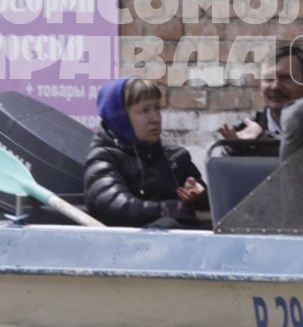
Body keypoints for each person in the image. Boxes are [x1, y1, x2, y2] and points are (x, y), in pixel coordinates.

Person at [84, 76, 209, 227]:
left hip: (185, 244)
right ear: (121, 118)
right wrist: (176, 210)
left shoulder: (176, 158)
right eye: (144, 110)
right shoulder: (104, 159)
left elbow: (211, 209)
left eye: (157, 108)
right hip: (130, 246)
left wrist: (198, 197)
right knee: (167, 225)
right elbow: (118, 209)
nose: (155, 118)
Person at [217, 42, 303, 140]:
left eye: (286, 78)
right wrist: (238, 147)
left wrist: (263, 138)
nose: (275, 86)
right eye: (268, 79)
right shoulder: (242, 132)